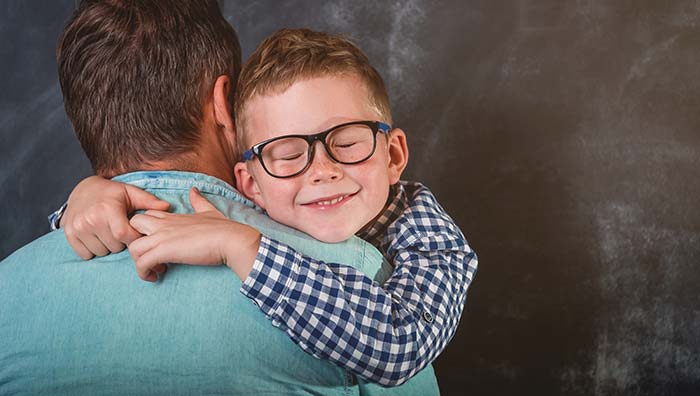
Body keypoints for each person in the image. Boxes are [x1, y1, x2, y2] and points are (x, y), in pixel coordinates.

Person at [0, 1, 439, 394]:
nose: (322, 172)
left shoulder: (10, 289)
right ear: (224, 105)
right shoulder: (361, 284)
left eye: (345, 143)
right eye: (289, 152)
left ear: (82, 118)